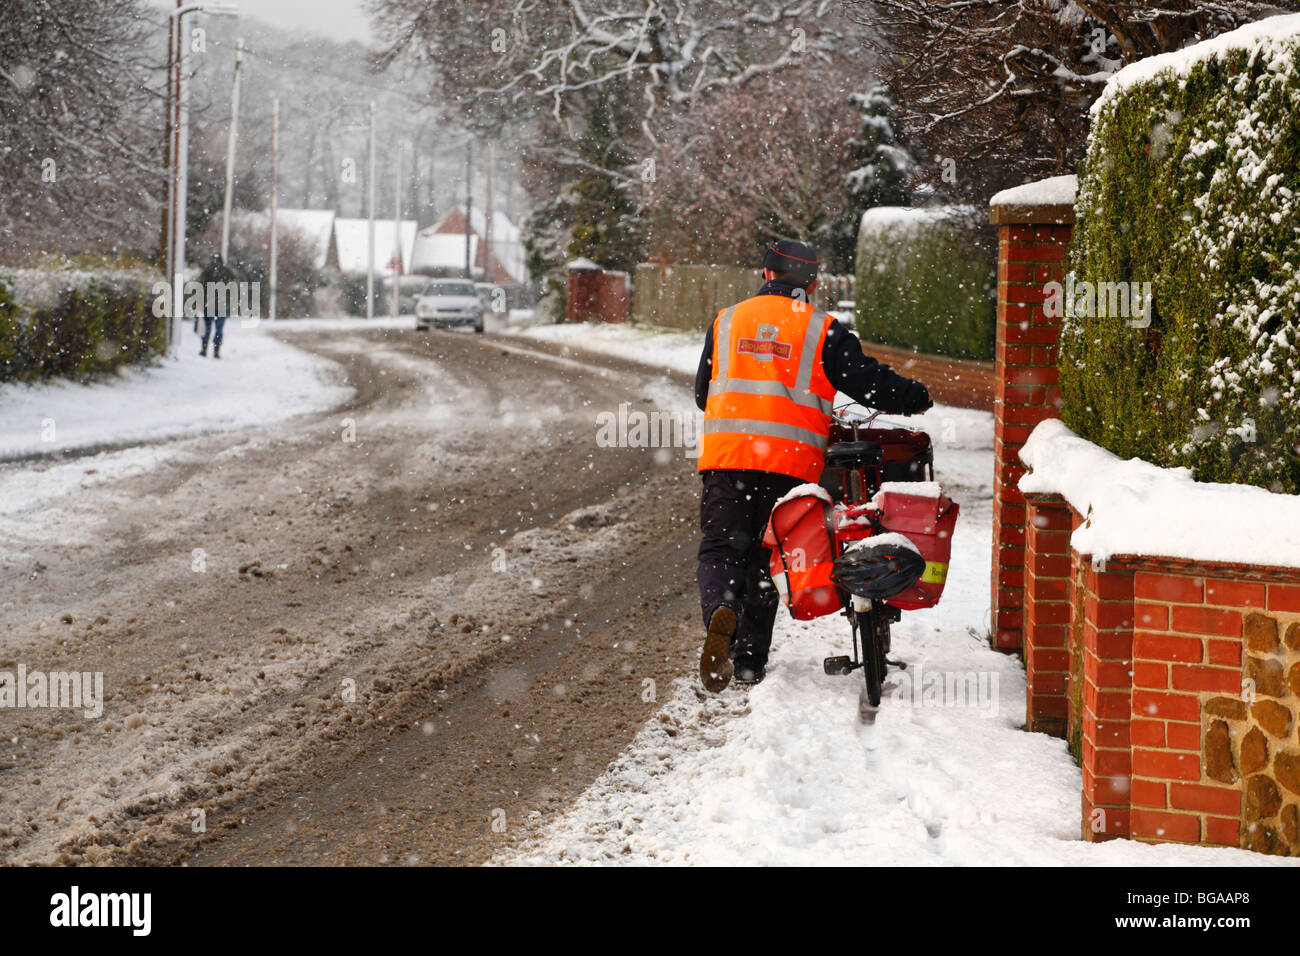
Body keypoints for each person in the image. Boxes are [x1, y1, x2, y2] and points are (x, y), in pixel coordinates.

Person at [695, 239, 932, 692]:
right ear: (812, 282)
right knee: (768, 558)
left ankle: (718, 618)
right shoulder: (823, 329)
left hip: (727, 459)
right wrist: (915, 396)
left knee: (723, 550)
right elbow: (870, 383)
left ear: (766, 275)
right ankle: (748, 662)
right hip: (788, 466)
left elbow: (702, 393)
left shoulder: (726, 320)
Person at [198, 253, 236, 358]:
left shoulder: (207, 272)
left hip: (208, 305)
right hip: (221, 306)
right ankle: (216, 351)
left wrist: (200, 301)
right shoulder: (227, 272)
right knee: (219, 329)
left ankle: (204, 349)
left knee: (207, 328)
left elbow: (200, 287)